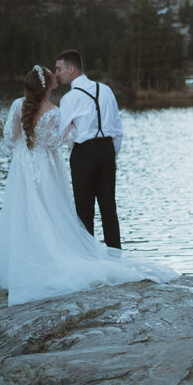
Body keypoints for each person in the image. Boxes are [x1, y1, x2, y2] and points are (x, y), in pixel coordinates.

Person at [0, 64, 176, 306]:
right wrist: (72, 131)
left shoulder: (16, 106)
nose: (57, 75)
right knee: (51, 211)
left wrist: (25, 146)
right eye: (54, 74)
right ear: (47, 85)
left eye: (58, 70)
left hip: (22, 167)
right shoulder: (54, 111)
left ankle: (25, 262)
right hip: (47, 166)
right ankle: (53, 258)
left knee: (24, 212)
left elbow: (10, 138)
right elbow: (56, 141)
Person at [54, 49, 123, 248]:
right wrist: (113, 156)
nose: (57, 73)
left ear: (72, 69)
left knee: (84, 210)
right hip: (107, 151)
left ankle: (88, 259)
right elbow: (118, 130)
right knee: (109, 208)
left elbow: (60, 133)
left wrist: (73, 134)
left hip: (84, 153)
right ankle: (116, 256)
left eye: (59, 69)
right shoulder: (106, 90)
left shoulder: (70, 98)